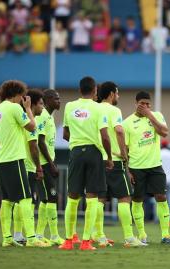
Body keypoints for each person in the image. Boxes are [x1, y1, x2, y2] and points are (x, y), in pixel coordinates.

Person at [0, 80, 49, 247]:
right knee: (25, 199)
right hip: (14, 160)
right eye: (22, 96)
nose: (23, 98)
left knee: (7, 200)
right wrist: (27, 109)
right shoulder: (14, 108)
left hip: (1, 160)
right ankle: (32, 239)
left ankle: (7, 238)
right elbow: (32, 127)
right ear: (17, 94)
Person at [59, 76, 113, 251]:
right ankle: (86, 242)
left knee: (72, 197)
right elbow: (105, 136)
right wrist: (109, 157)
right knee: (92, 198)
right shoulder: (98, 108)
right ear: (95, 91)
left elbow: (65, 134)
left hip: (75, 152)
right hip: (93, 153)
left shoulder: (69, 106)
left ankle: (68, 241)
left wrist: (77, 140)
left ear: (79, 89)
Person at [92, 81, 146, 248]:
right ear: (111, 94)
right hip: (113, 161)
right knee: (124, 198)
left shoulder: (93, 109)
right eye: (117, 93)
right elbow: (120, 131)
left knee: (100, 199)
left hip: (96, 159)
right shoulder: (114, 110)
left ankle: (99, 236)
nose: (118, 96)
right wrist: (123, 152)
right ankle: (129, 237)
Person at [123, 91, 170, 244]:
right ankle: (142, 235)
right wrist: (128, 171)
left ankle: (165, 235)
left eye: (148, 104)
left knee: (161, 197)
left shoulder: (157, 116)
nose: (145, 106)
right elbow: (125, 149)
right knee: (138, 199)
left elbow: (164, 132)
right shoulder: (127, 123)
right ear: (136, 104)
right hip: (136, 167)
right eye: (142, 104)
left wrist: (150, 115)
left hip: (155, 166)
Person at [13, 89, 45, 245]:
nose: (43, 108)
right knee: (27, 201)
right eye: (41, 104)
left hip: (21, 164)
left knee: (21, 201)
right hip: (27, 166)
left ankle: (18, 234)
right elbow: (33, 146)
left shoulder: (22, 119)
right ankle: (23, 235)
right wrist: (39, 167)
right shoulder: (30, 122)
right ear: (32, 104)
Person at [37, 89, 64, 245]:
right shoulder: (43, 117)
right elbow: (40, 142)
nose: (59, 101)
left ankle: (40, 234)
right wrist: (51, 164)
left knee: (46, 200)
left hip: (47, 163)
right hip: (45, 164)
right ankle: (54, 236)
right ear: (47, 100)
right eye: (56, 98)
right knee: (51, 198)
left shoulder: (49, 117)